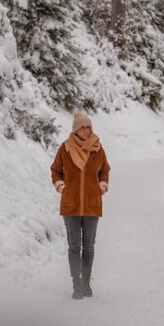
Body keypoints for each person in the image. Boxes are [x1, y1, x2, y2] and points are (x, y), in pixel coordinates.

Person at [50, 111, 110, 300]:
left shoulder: (98, 149)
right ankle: (76, 281)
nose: (86, 130)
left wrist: (102, 184)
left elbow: (105, 171)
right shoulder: (65, 149)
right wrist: (61, 185)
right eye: (82, 127)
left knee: (89, 246)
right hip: (71, 204)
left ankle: (86, 281)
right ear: (75, 130)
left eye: (88, 127)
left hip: (92, 203)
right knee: (74, 246)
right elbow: (55, 170)